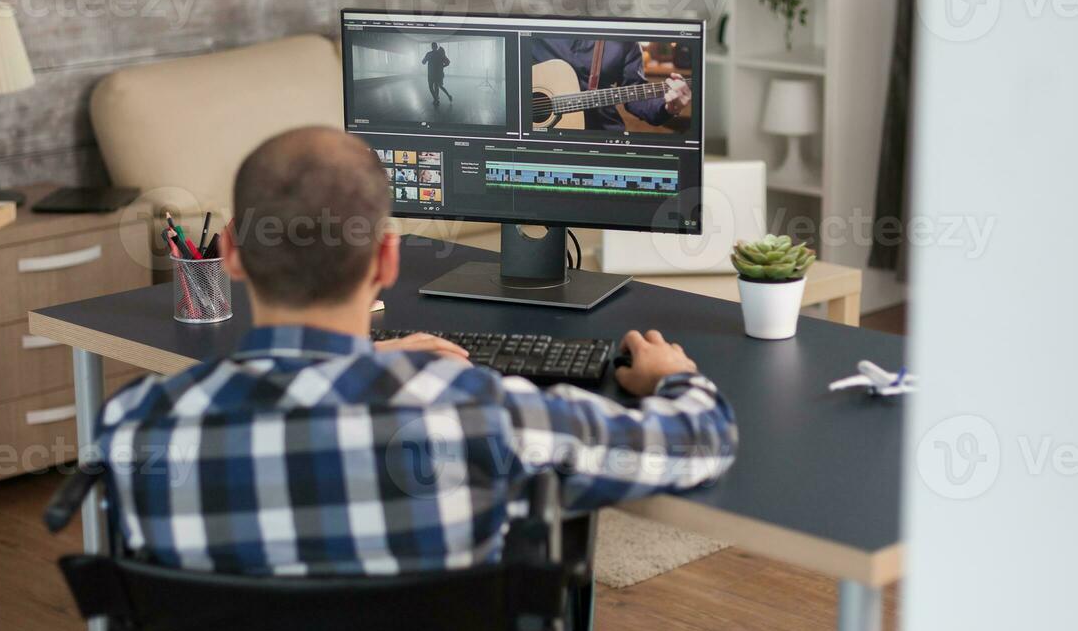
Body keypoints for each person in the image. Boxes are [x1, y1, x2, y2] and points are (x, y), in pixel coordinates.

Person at [94, 126, 736, 579]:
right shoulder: (481, 415)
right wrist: (674, 378)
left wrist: (365, 362)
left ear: (230, 252)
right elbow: (700, 443)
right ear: (387, 258)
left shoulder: (135, 429)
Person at [528, 36, 692, 131]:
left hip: (601, 135)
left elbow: (635, 95)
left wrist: (668, 107)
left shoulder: (622, 40)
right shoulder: (536, 30)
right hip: (540, 140)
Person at [421, 41, 455, 107]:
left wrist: (426, 59)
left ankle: (436, 99)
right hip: (438, 74)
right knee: (438, 86)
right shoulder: (440, 54)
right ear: (436, 47)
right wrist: (442, 66)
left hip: (431, 74)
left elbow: (423, 62)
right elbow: (448, 62)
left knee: (431, 87)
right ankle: (445, 96)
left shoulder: (429, 54)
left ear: (432, 47)